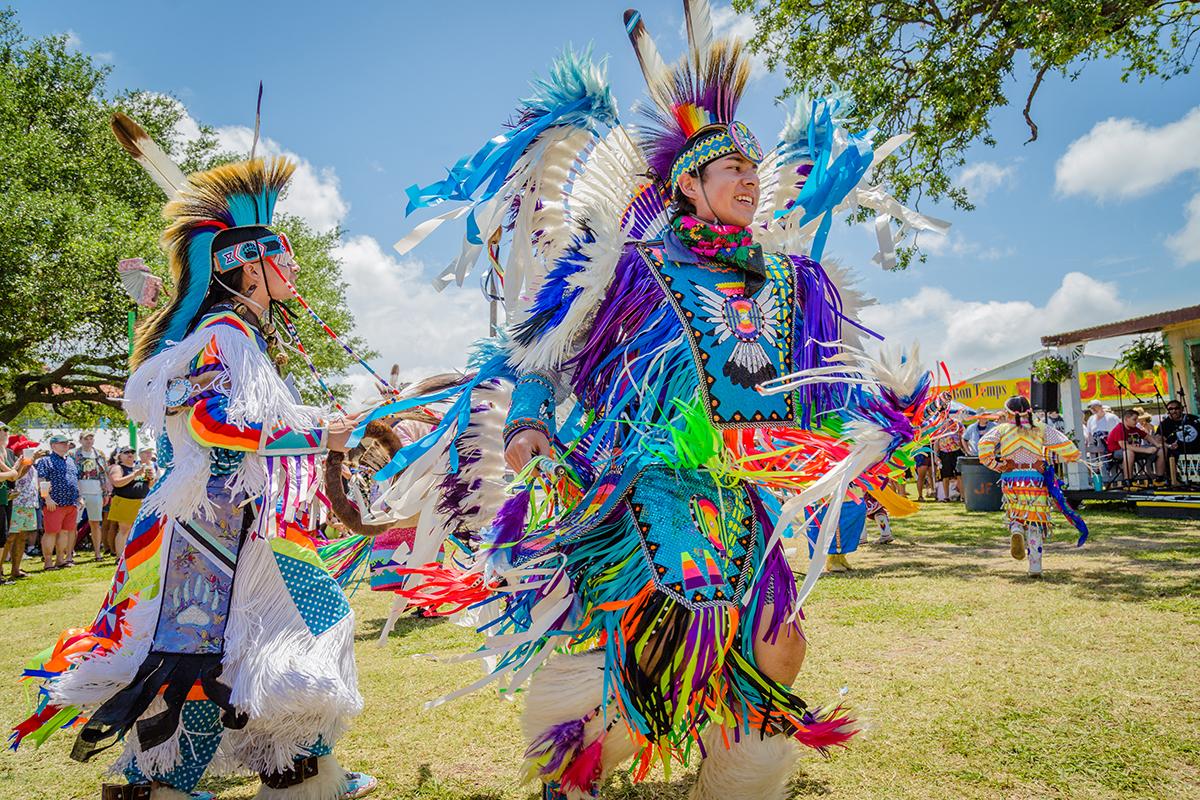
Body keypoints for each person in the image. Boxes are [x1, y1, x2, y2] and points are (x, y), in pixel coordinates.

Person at [373, 8, 944, 797]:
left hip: (749, 494)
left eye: (753, 167)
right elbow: (544, 354)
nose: (750, 180)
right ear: (687, 183)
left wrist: (886, 426)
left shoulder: (795, 284)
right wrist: (530, 421)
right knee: (640, 638)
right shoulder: (629, 269)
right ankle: (574, 771)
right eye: (731, 170)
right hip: (645, 488)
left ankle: (736, 780)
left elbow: (828, 388)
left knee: (779, 650)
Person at [14, 152, 375, 799]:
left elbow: (246, 419)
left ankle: (294, 770)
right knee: (203, 664)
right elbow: (212, 424)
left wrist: (325, 423)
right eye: (282, 258)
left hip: (233, 523)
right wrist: (319, 434)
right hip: (205, 528)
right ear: (249, 267)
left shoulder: (235, 334)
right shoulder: (225, 333)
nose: (293, 269)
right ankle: (165, 784)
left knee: (250, 649)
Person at [979, 396, 1086, 576]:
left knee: (1016, 512)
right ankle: (1035, 566)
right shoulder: (1040, 428)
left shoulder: (1003, 429)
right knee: (1035, 520)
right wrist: (1048, 460)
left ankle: (1016, 529)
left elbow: (983, 447)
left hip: (1011, 479)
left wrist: (998, 465)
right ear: (1029, 410)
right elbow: (1070, 451)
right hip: (1034, 480)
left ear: (1007, 412)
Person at [34, 433, 80, 570]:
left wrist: (79, 497)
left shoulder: (70, 460)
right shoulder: (45, 461)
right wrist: (47, 498)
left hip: (70, 502)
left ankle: (60, 559)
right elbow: (41, 481)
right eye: (63, 443)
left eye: (67, 443)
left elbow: (74, 480)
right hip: (54, 502)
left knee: (65, 531)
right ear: (53, 445)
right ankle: (48, 562)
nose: (66, 445)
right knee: (51, 532)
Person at [106, 447, 153, 557]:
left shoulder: (139, 467)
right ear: (119, 456)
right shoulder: (118, 468)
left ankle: (133, 555)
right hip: (124, 501)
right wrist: (135, 474)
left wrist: (150, 478)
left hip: (140, 502)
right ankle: (120, 557)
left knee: (136, 530)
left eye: (132, 452)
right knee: (124, 530)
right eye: (126, 452)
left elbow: (147, 485)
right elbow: (117, 483)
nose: (130, 454)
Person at [4, 435, 40, 581]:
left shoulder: (29, 462)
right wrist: (30, 462)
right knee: (10, 537)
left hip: (29, 504)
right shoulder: (14, 462)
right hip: (16, 503)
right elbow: (16, 477)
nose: (29, 449)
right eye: (25, 447)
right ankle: (1, 569)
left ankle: (15, 569)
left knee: (22, 537)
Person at [73, 431, 108, 560]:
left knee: (95, 523)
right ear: (81, 440)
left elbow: (103, 474)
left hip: (96, 492)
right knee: (73, 524)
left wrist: (105, 493)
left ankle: (97, 552)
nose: (88, 441)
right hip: (79, 493)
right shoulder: (74, 454)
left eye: (91, 438)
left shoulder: (99, 454)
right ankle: (70, 552)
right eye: (86, 439)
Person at [1106, 408, 1164, 481]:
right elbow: (1125, 446)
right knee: (1128, 452)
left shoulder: (1134, 428)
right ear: (1126, 419)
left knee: (1161, 450)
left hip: (1135, 451)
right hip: (1118, 452)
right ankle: (1128, 480)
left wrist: (1156, 444)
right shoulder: (1119, 429)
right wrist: (1146, 450)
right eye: (1134, 419)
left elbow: (1146, 436)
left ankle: (1160, 478)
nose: (1137, 422)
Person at [1157, 400, 1200, 482]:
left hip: (1196, 449)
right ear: (1167, 411)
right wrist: (1168, 445)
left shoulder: (1193, 419)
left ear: (1182, 409)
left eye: (1176, 408)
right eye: (1170, 409)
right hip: (1177, 452)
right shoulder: (1164, 424)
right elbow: (1159, 439)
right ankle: (1174, 480)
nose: (1174, 411)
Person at [934, 414, 965, 500]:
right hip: (944, 453)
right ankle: (946, 497)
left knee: (959, 475)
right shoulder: (938, 426)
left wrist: (965, 450)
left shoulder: (957, 424)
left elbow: (963, 437)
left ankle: (963, 496)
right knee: (945, 476)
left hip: (957, 451)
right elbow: (936, 441)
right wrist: (936, 456)